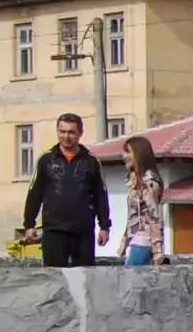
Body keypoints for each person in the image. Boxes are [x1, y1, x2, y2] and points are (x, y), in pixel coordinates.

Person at [20, 112, 110, 268]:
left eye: (71, 132)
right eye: (62, 132)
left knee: (84, 280)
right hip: (54, 230)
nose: (66, 136)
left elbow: (100, 196)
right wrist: (29, 224)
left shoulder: (91, 161)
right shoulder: (46, 160)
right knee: (54, 279)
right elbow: (35, 193)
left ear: (80, 133)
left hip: (82, 231)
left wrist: (104, 226)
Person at [117, 136, 164, 268]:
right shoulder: (136, 182)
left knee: (131, 282)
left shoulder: (149, 183)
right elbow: (133, 217)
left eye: (128, 152)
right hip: (136, 240)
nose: (124, 156)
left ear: (138, 154)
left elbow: (153, 215)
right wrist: (124, 243)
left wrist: (157, 250)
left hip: (143, 240)